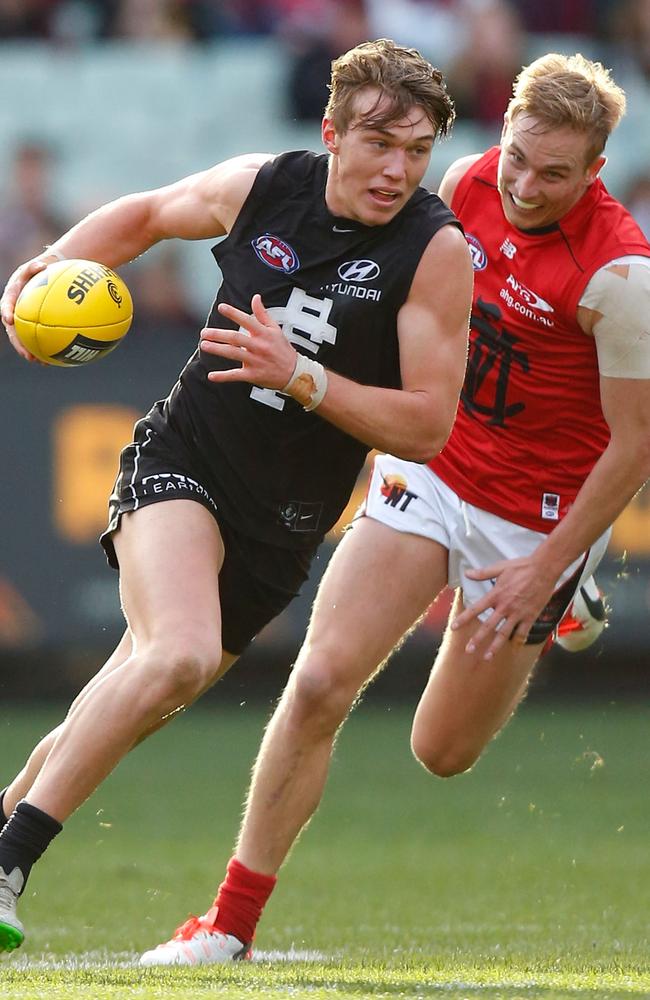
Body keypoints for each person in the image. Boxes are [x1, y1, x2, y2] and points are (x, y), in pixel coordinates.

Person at [133, 52, 649, 966]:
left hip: (534, 520)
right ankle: (229, 927)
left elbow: (635, 443)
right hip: (438, 465)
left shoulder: (621, 276)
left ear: (597, 171)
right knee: (322, 681)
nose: (525, 186)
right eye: (518, 158)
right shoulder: (463, 183)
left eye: (555, 174)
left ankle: (571, 590)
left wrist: (545, 564)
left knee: (440, 751)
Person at [0, 39, 472, 954]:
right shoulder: (264, 187)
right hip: (184, 463)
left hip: (281, 531)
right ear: (332, 131)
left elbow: (425, 426)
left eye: (416, 151)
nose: (396, 169)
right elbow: (143, 215)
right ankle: (12, 863)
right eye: (378, 143)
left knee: (125, 698)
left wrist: (302, 378)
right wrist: (38, 275)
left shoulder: (433, 249)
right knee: (172, 656)